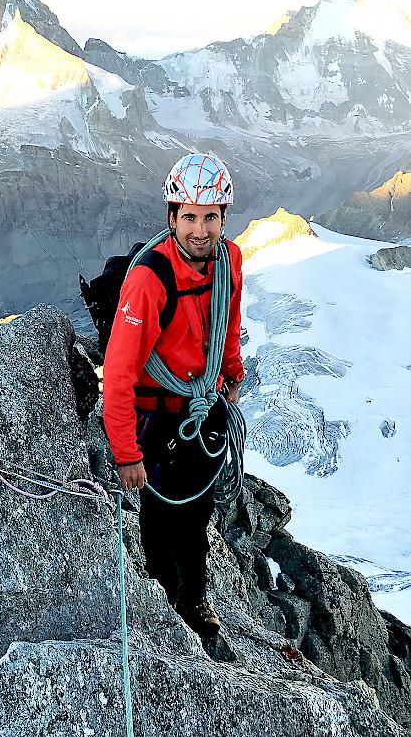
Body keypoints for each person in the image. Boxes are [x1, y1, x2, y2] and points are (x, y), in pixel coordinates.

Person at [102, 153, 245, 636]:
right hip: (156, 416)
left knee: (198, 508)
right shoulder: (149, 281)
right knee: (161, 519)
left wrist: (231, 373)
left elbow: (227, 321)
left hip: (201, 406)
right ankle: (166, 611)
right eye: (189, 217)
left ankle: (195, 597)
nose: (200, 230)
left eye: (209, 217)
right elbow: (119, 372)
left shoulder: (229, 260)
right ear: (171, 218)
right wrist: (126, 454)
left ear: (224, 217)